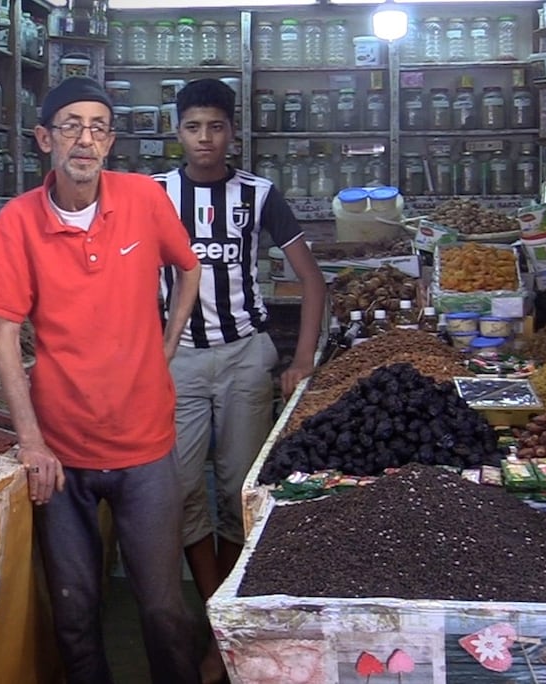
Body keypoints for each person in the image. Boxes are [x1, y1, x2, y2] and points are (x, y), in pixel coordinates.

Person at [0, 76, 205, 684]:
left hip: (145, 445)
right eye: (71, 124)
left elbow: (188, 269)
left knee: (162, 610)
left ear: (111, 142)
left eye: (98, 127)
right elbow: (5, 336)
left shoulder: (144, 199)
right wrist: (31, 442)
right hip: (63, 453)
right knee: (75, 613)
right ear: (45, 137)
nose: (85, 138)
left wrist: (166, 343)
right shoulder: (18, 221)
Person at [153, 77, 326, 674]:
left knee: (240, 492)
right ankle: (214, 610)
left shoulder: (260, 195)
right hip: (174, 361)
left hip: (245, 355)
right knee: (177, 491)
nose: (205, 138)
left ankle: (229, 619)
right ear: (177, 132)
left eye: (216, 126)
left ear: (233, 131)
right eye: (193, 127)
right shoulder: (151, 195)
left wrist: (301, 360)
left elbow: (312, 280)